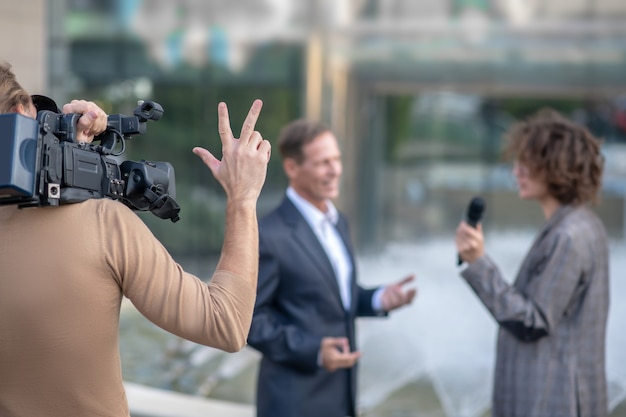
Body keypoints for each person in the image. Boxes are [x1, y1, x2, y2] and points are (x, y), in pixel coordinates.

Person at [0, 62, 271, 417]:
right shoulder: (104, 225)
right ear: (20, 113)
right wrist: (243, 198)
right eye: (42, 120)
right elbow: (227, 324)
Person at [247, 119, 417, 417]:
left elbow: (336, 299)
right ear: (292, 168)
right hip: (293, 402)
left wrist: (379, 299)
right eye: (323, 162)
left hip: (341, 398)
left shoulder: (340, 223)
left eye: (336, 159)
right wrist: (312, 350)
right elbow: (249, 321)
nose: (335, 170)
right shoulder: (269, 234)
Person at [455, 109, 609, 417]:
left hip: (553, 402)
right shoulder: (578, 225)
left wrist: (479, 264)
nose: (516, 172)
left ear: (557, 167)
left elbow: (531, 321)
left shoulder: (569, 235)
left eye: (527, 163)